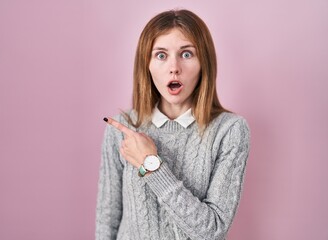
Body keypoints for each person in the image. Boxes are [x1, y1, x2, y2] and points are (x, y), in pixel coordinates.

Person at [95, 9, 250, 240]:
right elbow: (107, 220)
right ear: (146, 65)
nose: (174, 67)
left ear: (203, 63)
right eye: (161, 55)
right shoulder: (121, 129)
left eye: (186, 54)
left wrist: (151, 165)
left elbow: (213, 230)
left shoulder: (230, 131)